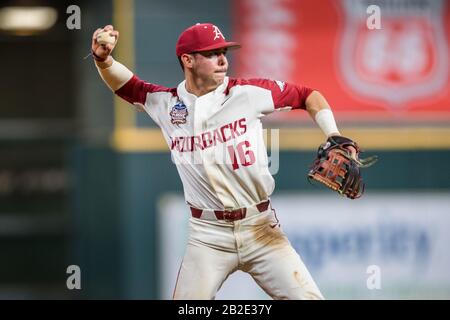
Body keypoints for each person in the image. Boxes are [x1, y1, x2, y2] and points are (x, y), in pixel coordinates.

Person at [92, 23, 353, 300]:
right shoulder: (167, 104)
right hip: (207, 236)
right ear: (188, 60)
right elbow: (128, 86)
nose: (222, 60)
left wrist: (333, 133)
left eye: (224, 52)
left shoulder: (247, 93)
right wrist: (103, 59)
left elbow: (308, 96)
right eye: (212, 53)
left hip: (260, 228)